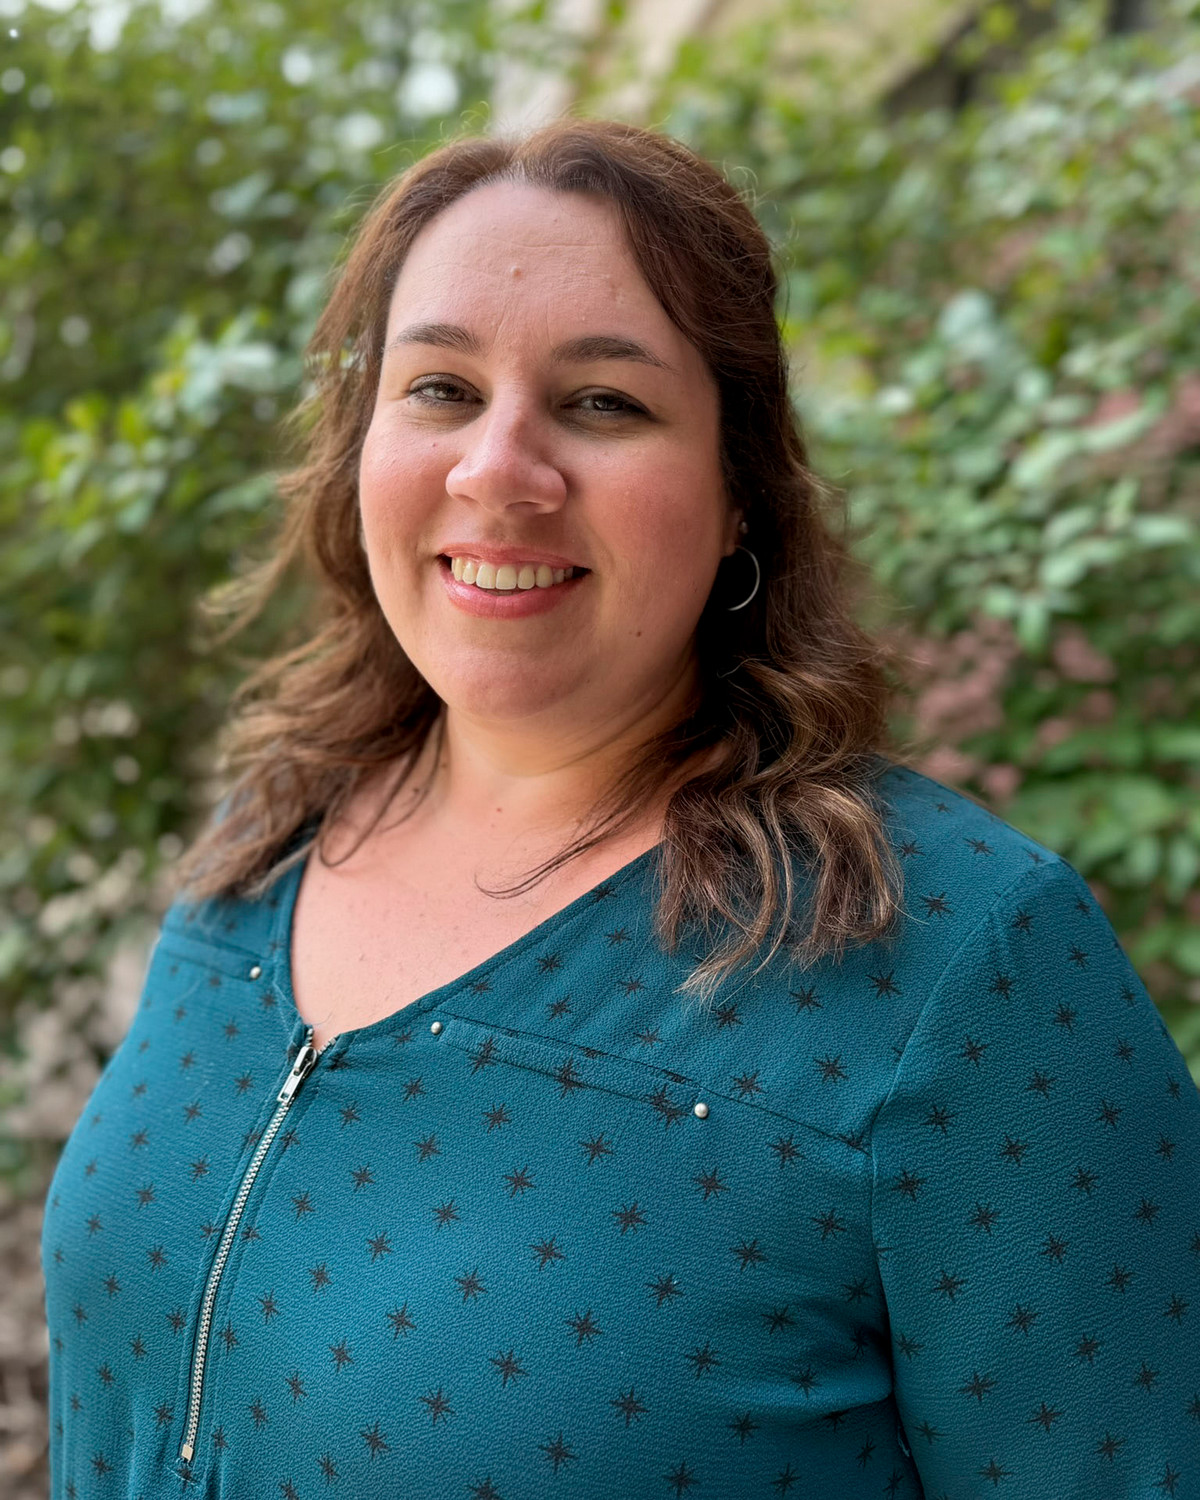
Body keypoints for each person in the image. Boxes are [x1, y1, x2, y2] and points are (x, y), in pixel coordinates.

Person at [41, 118, 1199, 1500]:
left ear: (735, 501)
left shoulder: (962, 960)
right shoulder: (258, 849)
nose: (496, 470)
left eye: (603, 404)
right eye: (441, 389)